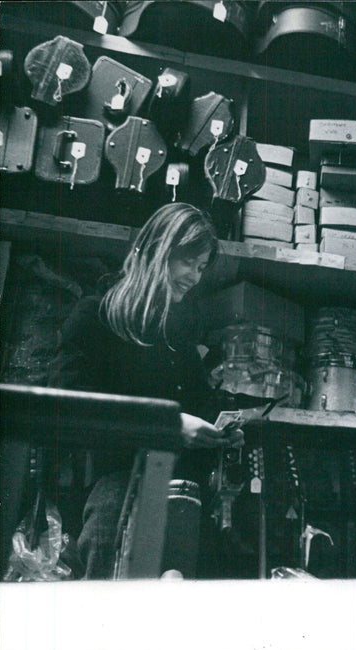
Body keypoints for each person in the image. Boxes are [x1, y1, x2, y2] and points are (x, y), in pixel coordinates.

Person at [49, 202, 242, 579]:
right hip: (113, 497)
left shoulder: (179, 338)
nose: (195, 277)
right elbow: (66, 407)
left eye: (202, 268)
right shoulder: (95, 318)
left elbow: (198, 410)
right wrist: (167, 425)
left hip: (179, 496)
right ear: (156, 251)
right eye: (188, 262)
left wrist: (220, 432)